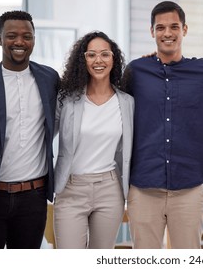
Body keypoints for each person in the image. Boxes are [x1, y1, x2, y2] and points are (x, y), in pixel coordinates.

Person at [122, 0, 203, 249]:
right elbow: (110, 107)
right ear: (152, 32)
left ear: (184, 29)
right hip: (144, 186)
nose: (167, 33)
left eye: (173, 27)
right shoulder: (136, 71)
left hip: (189, 187)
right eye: (160, 28)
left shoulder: (202, 72)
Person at [0, 10, 59, 249]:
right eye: (11, 36)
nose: (19, 42)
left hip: (33, 198)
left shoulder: (50, 79)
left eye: (26, 36)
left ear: (34, 39)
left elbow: (86, 87)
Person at [53, 31, 134, 249]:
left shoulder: (127, 102)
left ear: (113, 59)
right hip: (71, 188)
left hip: (110, 189)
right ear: (83, 60)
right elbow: (42, 135)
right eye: (91, 55)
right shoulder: (67, 100)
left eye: (105, 54)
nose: (98, 60)